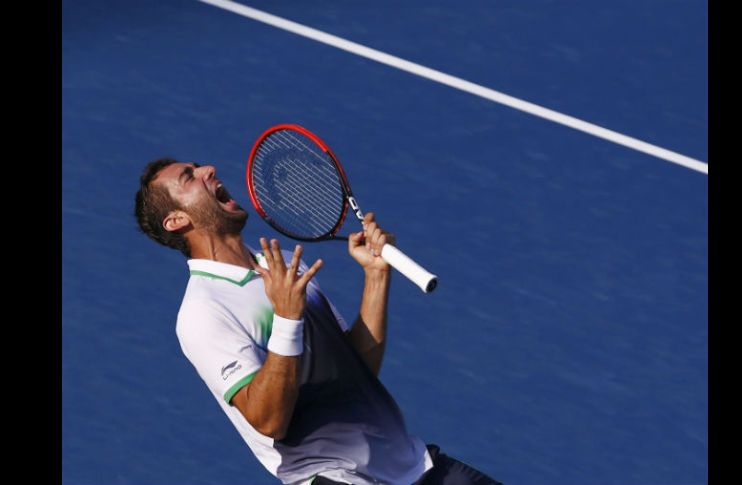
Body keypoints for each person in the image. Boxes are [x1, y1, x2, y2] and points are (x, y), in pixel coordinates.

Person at [134, 158, 500, 485]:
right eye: (189, 177)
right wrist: (286, 319)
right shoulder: (204, 310)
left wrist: (376, 276)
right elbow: (268, 420)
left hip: (414, 467)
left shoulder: (280, 269)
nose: (207, 169)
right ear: (177, 220)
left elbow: (358, 367)